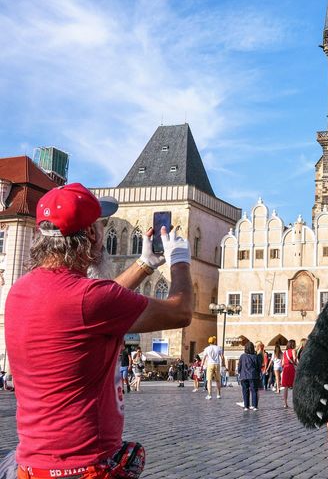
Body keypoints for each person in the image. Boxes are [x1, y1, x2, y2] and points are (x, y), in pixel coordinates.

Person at [4, 182, 193, 479]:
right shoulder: (90, 298)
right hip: (81, 468)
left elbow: (92, 307)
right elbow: (181, 311)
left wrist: (144, 264)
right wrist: (179, 259)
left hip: (32, 465)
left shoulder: (20, 291)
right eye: (101, 225)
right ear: (91, 235)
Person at [237, 342, 262, 411]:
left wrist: (239, 372)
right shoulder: (255, 356)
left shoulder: (242, 356)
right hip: (253, 376)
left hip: (244, 376)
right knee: (254, 391)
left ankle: (246, 406)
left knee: (245, 391)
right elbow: (258, 366)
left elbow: (239, 366)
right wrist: (258, 373)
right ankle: (255, 406)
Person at [281, 339, 298, 408]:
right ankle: (295, 403)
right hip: (291, 368)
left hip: (285, 368)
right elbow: (294, 360)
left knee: (286, 387)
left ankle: (285, 403)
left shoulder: (285, 352)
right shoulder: (293, 351)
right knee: (294, 385)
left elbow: (282, 363)